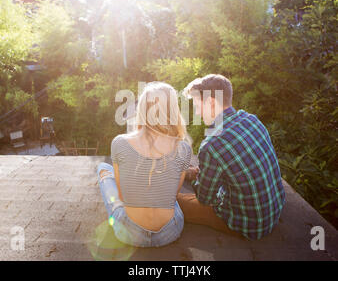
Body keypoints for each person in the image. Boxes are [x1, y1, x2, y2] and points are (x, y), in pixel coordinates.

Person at [178, 74, 286, 240]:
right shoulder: (251, 119)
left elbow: (205, 198)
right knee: (207, 173)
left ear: (211, 103)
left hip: (248, 224)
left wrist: (197, 179)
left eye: (198, 106)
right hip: (274, 209)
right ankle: (194, 173)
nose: (197, 113)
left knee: (174, 201)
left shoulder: (212, 144)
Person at [97, 82, 192, 247]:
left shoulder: (119, 142)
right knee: (169, 196)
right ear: (173, 111)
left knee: (104, 169)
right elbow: (173, 195)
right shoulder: (183, 148)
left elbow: (122, 193)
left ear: (141, 109)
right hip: (169, 232)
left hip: (129, 233)